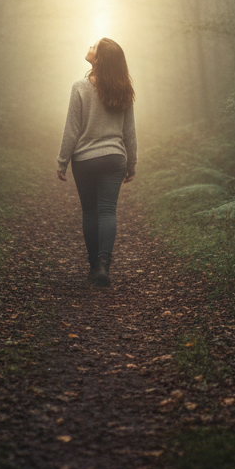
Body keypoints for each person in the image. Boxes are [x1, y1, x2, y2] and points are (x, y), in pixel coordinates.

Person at [57, 38, 137, 287]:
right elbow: (129, 131)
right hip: (115, 158)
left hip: (85, 160)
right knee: (107, 210)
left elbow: (72, 129)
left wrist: (62, 161)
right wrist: (132, 162)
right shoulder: (123, 89)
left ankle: (94, 266)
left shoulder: (80, 87)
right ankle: (104, 265)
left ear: (100, 58)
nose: (89, 47)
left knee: (91, 211)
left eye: (94, 47)